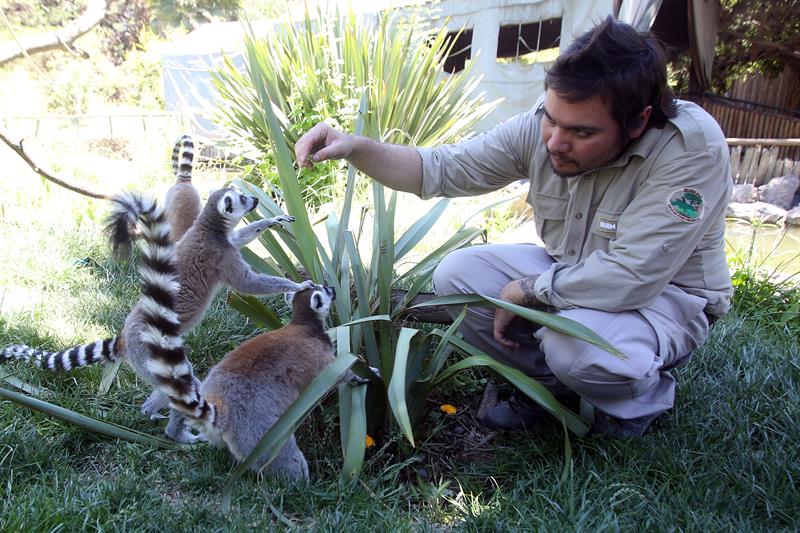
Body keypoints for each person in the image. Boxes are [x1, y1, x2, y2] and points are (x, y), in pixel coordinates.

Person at [294, 17, 733, 437]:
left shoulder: (688, 149)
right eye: (551, 119)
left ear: (638, 121)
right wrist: (356, 148)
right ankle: (550, 389)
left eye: (580, 132)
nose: (555, 142)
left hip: (662, 298)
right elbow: (440, 169)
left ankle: (640, 402)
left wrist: (525, 290)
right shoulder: (545, 127)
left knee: (577, 352)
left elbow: (632, 277)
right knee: (457, 276)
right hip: (575, 269)